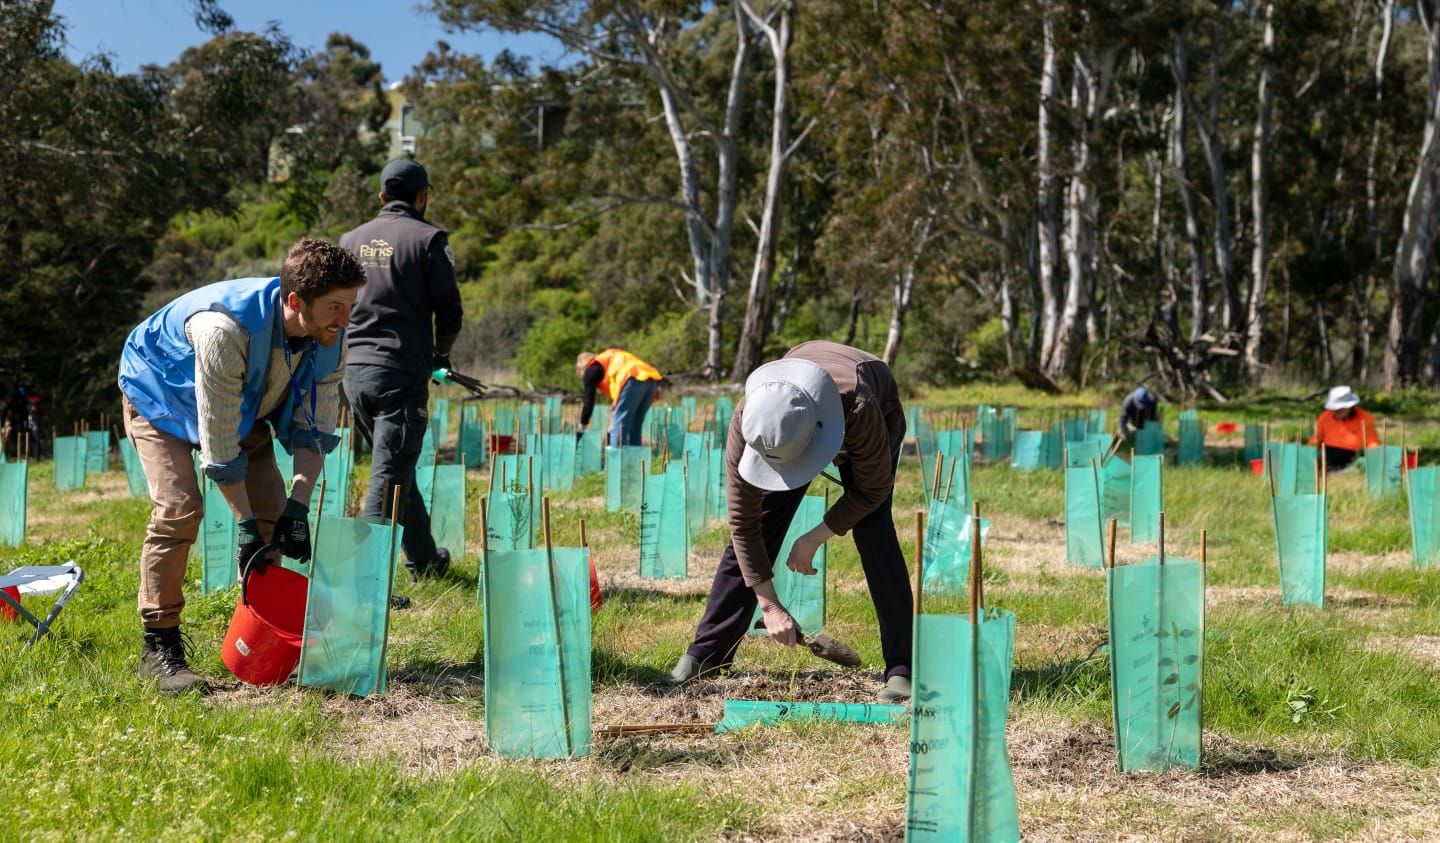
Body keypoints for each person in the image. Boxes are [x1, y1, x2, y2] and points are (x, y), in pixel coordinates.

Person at [118, 238, 365, 694]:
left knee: (272, 506)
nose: (346, 319)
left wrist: (298, 506)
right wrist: (244, 524)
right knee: (180, 507)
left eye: (350, 306)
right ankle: (159, 645)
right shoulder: (225, 331)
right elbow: (219, 442)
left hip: (239, 398)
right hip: (160, 393)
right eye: (335, 307)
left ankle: (258, 635)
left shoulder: (331, 336)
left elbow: (316, 429)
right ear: (296, 302)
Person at [662, 341, 914, 702]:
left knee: (874, 530)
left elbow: (872, 490)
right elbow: (743, 524)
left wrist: (815, 536)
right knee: (761, 523)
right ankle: (707, 653)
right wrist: (770, 604)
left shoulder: (860, 406)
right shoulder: (751, 419)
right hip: (798, 406)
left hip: (867, 391)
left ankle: (903, 668)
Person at [340, 159, 464, 581]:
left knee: (397, 466)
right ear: (422, 196)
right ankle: (363, 584)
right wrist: (440, 356)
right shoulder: (428, 238)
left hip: (354, 373)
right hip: (400, 375)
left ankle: (426, 563)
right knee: (389, 476)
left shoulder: (349, 239)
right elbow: (450, 313)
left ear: (381, 198)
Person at [575, 348, 663, 446]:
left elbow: (588, 401)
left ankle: (615, 458)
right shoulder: (606, 361)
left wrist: (582, 424)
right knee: (635, 422)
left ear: (582, 368)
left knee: (619, 425)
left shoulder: (591, 369)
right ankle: (635, 459)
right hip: (650, 379)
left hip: (631, 378)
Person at [1307, 385, 1379, 471]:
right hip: (1327, 455)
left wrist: (1375, 458)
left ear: (1350, 406)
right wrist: (1307, 451)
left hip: (1352, 457)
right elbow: (1317, 438)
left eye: (1341, 408)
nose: (1337, 410)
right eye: (1335, 408)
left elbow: (1372, 443)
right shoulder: (1324, 417)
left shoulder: (1366, 419)